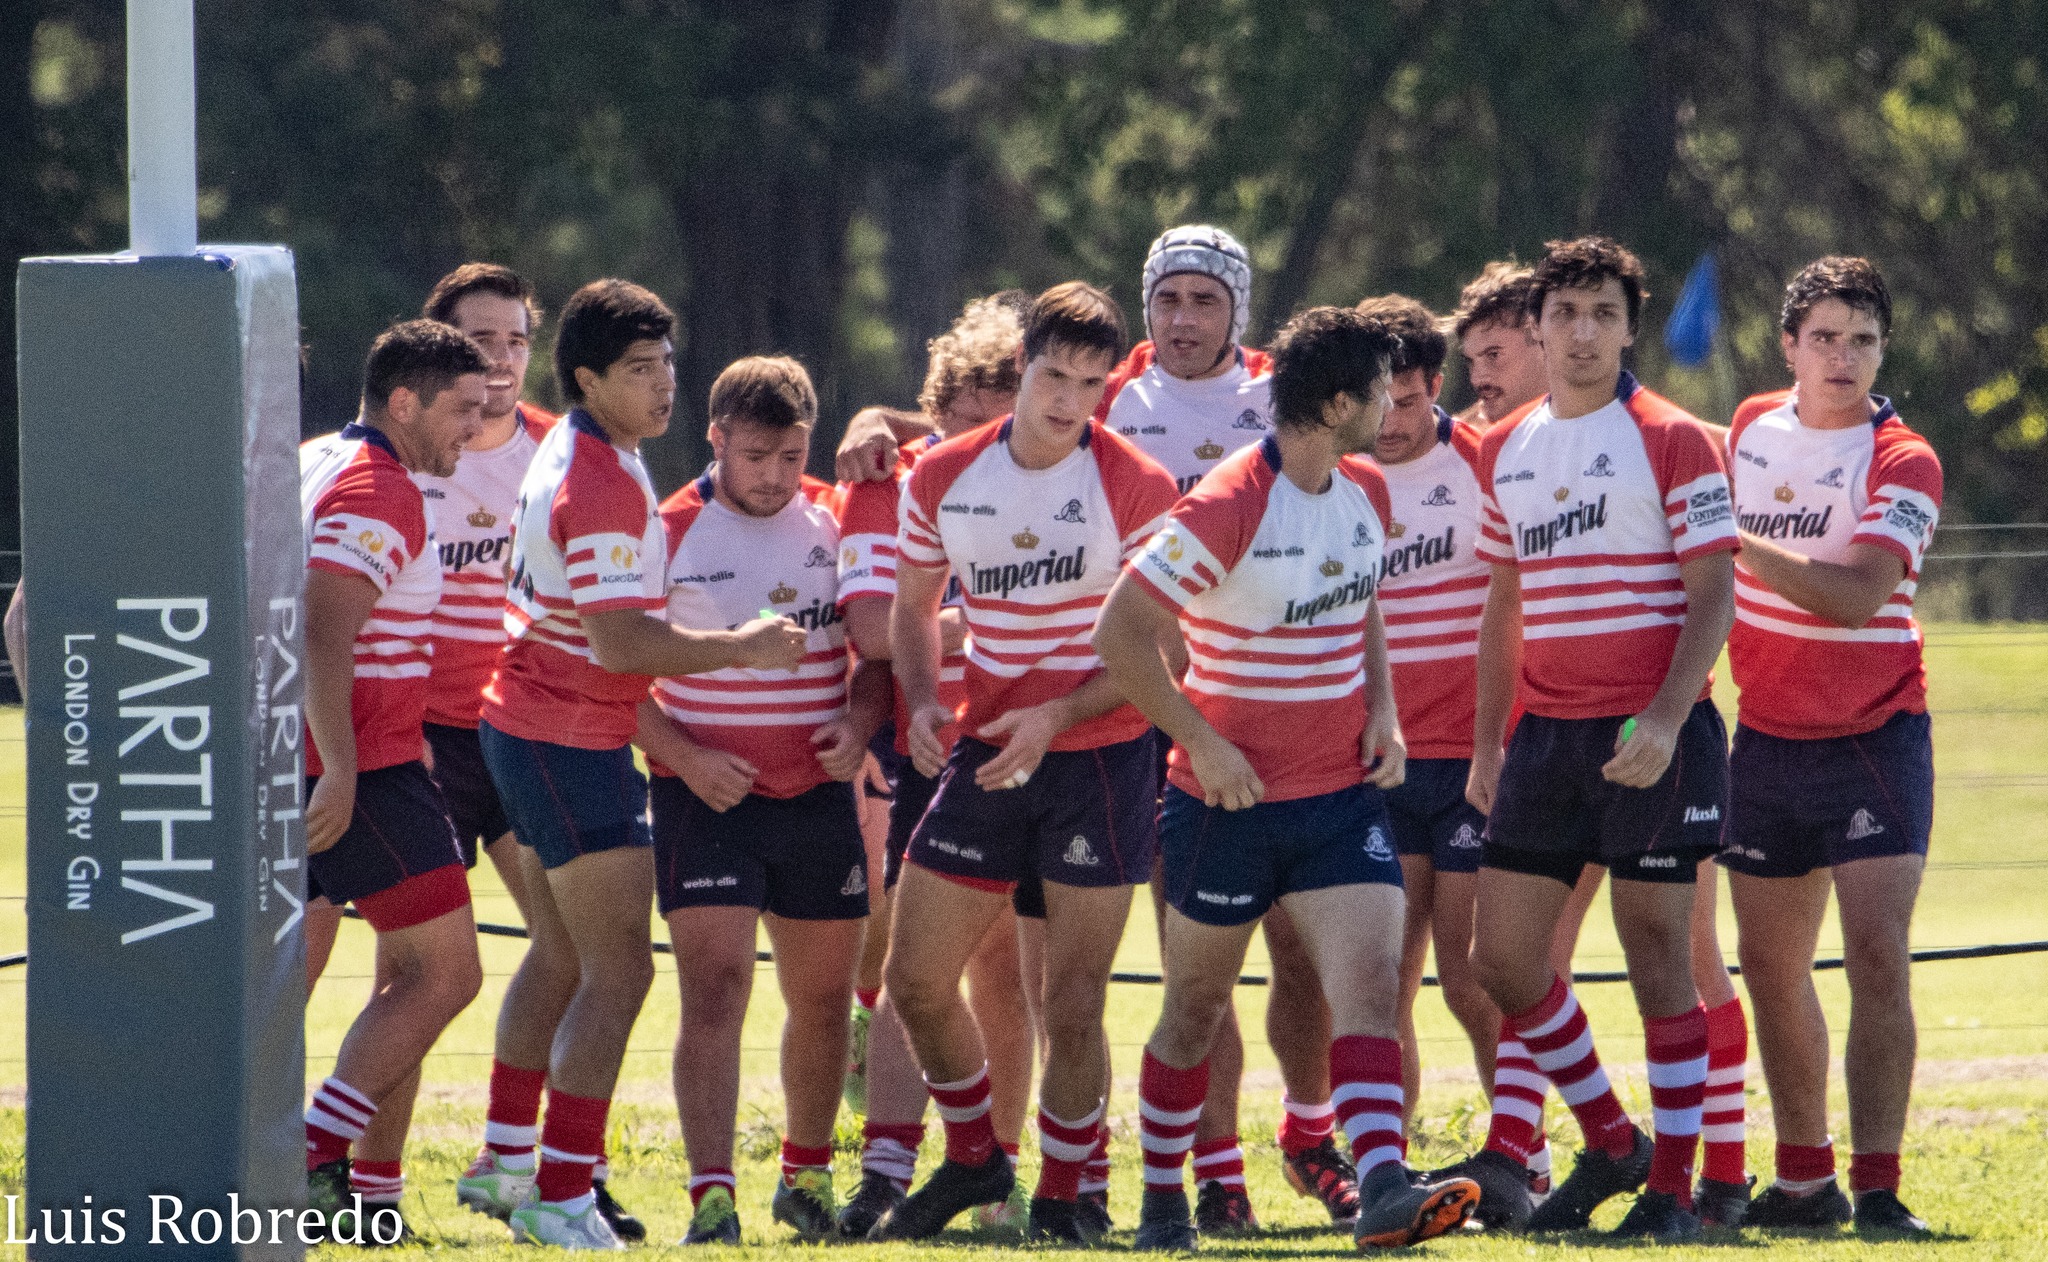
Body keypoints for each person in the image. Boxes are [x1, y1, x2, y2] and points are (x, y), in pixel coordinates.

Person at [1096, 304, 1482, 1250]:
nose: (1398, 406)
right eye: (1385, 387)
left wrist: (1380, 708)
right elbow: (1119, 633)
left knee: (1368, 984)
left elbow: (1364, 604)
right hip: (1222, 807)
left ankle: (1385, 1184)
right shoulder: (1230, 503)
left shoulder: (1366, 494)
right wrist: (1203, 740)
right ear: (1339, 401)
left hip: (1337, 800)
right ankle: (1160, 1203)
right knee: (1191, 1013)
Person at [472, 279, 807, 1249]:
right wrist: (741, 647)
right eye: (638, 369)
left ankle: (504, 1161)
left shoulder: (576, 445)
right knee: (618, 972)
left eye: (667, 363)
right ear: (585, 377)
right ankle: (561, 1191)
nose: (663, 384)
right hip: (566, 739)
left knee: (564, 953)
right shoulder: (606, 482)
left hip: (529, 726)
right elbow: (621, 646)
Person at [871, 283, 1180, 1242]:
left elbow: (1159, 659)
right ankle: (971, 1157)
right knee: (915, 979)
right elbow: (912, 611)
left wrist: (1058, 714)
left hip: (1100, 754)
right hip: (989, 750)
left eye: (1091, 383)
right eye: (1053, 376)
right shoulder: (941, 476)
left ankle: (1062, 1196)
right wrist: (924, 699)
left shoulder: (1138, 486)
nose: (1068, 399)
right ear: (1022, 370)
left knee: (1072, 1001)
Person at [1457, 237, 1738, 1242]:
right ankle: (1609, 1136)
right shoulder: (1503, 446)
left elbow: (1713, 591)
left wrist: (1665, 716)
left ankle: (1670, 1191)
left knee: (1658, 954)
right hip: (1542, 741)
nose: (1581, 333)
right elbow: (1500, 606)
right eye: (1563, 314)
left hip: (1650, 733)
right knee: (1502, 959)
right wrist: (1489, 743)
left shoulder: (1670, 437)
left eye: (1601, 315)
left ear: (1627, 326)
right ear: (1536, 328)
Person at [633, 356, 890, 1243]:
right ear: (716, 441)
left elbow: (875, 657)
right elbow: (609, 667)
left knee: (824, 1000)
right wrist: (684, 756)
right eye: (755, 458)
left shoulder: (832, 518)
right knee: (716, 990)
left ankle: (807, 1177)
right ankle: (712, 1194)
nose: (776, 477)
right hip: (705, 797)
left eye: (790, 456)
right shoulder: (664, 529)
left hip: (816, 797)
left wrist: (857, 731)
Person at [1721, 257, 1939, 1238]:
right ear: (1788, 346)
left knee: (1873, 956)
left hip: (1873, 739)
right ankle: (1804, 1178)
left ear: (1881, 350)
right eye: (1823, 337)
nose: (1840, 356)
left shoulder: (1902, 458)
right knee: (1767, 967)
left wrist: (1731, 537)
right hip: (1763, 736)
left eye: (1860, 339)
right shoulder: (1747, 429)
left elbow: (1853, 597)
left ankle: (1881, 1184)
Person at [833, 295, 1042, 1239]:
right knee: (909, 967)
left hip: (1039, 744)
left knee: (1006, 973)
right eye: (964, 417)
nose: (983, 440)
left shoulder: (1059, 473)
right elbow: (875, 627)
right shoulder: (893, 481)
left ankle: (994, 1173)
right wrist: (978, 619)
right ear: (938, 407)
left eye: (1006, 418)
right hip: (931, 745)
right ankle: (885, 1167)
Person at [297, 320, 491, 1242]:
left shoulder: (316, 459)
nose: (476, 426)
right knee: (447, 971)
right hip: (360, 772)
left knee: (282, 981)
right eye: (461, 409)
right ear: (403, 403)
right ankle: (307, 1153)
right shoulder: (385, 492)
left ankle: (305, 1165)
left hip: (338, 758)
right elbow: (324, 632)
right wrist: (339, 766)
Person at [1352, 295, 1501, 1133]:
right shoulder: (1331, 474)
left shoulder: (1485, 462)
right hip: (1376, 762)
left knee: (1472, 976)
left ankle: (1524, 1153)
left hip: (1472, 761)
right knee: (1383, 981)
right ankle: (1391, 1164)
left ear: (1437, 386)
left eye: (1408, 401)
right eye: (1378, 402)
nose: (1392, 421)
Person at [1448, 262, 1549, 431]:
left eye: (1493, 355)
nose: (1477, 379)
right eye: (1471, 362)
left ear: (1543, 342)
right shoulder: (1460, 445)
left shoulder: (1603, 425)